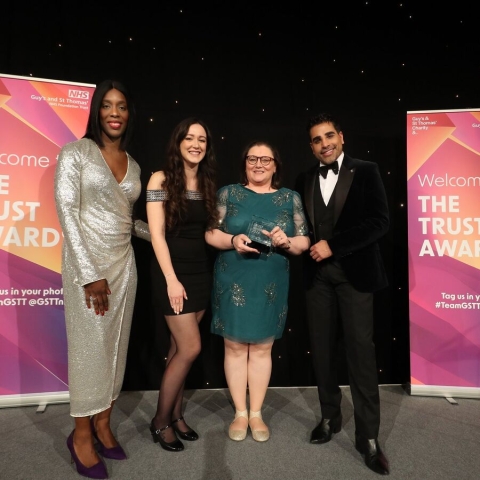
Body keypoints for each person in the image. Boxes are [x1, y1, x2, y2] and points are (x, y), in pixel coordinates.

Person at [54, 79, 150, 479]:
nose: (115, 113)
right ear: (97, 112)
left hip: (124, 266)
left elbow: (128, 222)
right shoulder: (75, 153)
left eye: (122, 106)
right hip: (85, 270)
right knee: (88, 352)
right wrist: (90, 274)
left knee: (115, 349)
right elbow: (67, 212)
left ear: (129, 114)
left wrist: (167, 235)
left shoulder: (135, 164)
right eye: (108, 105)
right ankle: (80, 434)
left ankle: (103, 425)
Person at [295, 112, 390, 475]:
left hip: (355, 276)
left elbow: (379, 222)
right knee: (321, 350)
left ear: (342, 136)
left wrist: (334, 246)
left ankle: (369, 436)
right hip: (315, 278)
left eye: (329, 136)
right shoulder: (305, 178)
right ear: (311, 146)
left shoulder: (365, 170)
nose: (325, 144)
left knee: (360, 355)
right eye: (317, 140)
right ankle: (329, 417)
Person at [205, 140, 310, 442]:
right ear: (245, 163)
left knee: (263, 348)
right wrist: (234, 239)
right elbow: (211, 233)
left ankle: (256, 413)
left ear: (276, 164)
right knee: (235, 347)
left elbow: (303, 242)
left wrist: (285, 242)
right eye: (253, 158)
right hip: (233, 278)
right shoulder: (228, 193)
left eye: (266, 159)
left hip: (271, 282)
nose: (259, 164)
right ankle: (240, 412)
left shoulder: (290, 199)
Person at [146, 117, 218, 452]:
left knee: (179, 351)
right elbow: (157, 235)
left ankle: (176, 415)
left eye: (202, 139)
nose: (196, 144)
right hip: (171, 274)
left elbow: (206, 232)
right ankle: (159, 421)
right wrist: (171, 280)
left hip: (200, 273)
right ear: (178, 142)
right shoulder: (160, 178)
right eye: (189, 138)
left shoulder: (206, 181)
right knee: (190, 348)